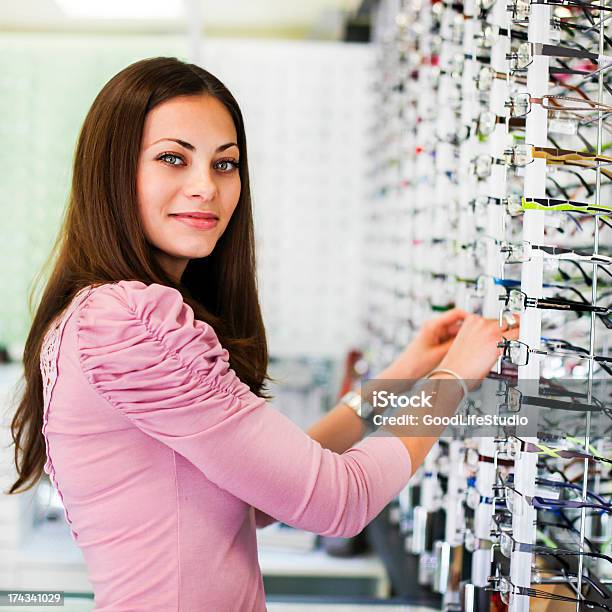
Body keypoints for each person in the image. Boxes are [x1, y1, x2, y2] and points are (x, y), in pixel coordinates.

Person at [7, 57, 519, 611]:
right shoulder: (129, 322)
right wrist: (453, 380)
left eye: (225, 165)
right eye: (172, 159)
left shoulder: (97, 314)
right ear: (111, 172)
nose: (205, 186)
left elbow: (266, 495)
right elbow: (335, 502)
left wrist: (408, 371)